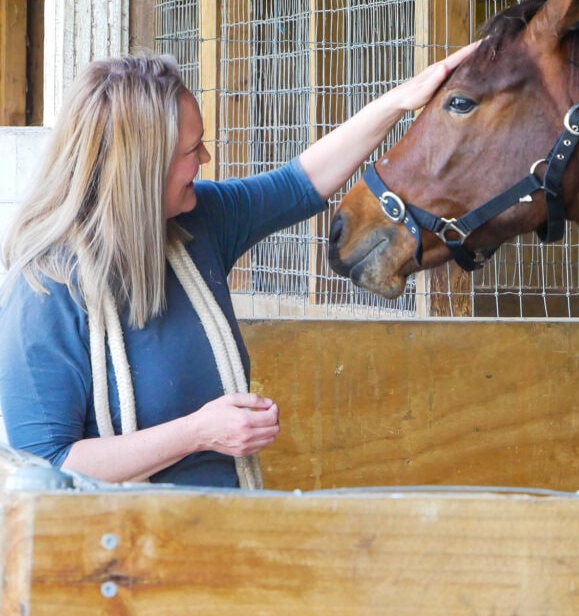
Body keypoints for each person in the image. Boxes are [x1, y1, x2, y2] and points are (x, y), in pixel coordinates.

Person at [0, 45, 474, 493]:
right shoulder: (44, 287)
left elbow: (300, 184)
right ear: (142, 168)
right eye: (192, 150)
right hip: (119, 558)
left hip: (217, 534)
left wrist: (401, 101)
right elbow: (48, 465)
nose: (205, 159)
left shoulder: (196, 223)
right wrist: (198, 433)